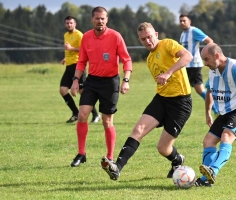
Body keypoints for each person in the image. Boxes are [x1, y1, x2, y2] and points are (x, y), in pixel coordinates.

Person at [101, 22, 193, 181]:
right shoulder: (150, 59)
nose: (147, 41)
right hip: (161, 99)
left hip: (180, 103)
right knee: (138, 129)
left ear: (156, 34)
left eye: (149, 37)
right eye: (143, 39)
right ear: (140, 40)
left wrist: (169, 73)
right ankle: (117, 167)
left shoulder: (168, 44)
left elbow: (188, 56)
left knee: (163, 148)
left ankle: (177, 160)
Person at [69, 7, 132, 167]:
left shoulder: (115, 36)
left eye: (103, 18)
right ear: (92, 20)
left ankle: (110, 157)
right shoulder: (86, 37)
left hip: (110, 82)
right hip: (92, 81)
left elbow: (127, 59)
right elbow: (82, 61)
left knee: (107, 121)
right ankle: (81, 154)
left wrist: (126, 80)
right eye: (97, 18)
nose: (100, 21)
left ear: (107, 20)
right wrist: (76, 80)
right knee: (83, 114)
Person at [194, 43, 236, 187]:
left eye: (206, 59)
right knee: (208, 141)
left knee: (226, 136)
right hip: (225, 112)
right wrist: (207, 113)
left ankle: (212, 171)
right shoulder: (213, 70)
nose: (205, 63)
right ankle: (206, 180)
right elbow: (210, 91)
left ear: (216, 55)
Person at [60, 16, 100, 123]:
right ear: (65, 24)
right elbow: (70, 51)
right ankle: (75, 113)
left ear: (75, 24)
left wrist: (71, 49)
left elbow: (85, 49)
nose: (69, 25)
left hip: (78, 66)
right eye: (67, 23)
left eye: (71, 23)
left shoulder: (79, 35)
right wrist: (65, 58)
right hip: (69, 66)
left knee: (83, 92)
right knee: (63, 90)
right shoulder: (66, 35)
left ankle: (96, 114)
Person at [179, 13, 218, 114]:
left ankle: (216, 108)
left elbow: (210, 41)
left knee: (199, 89)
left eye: (184, 21)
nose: (182, 23)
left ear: (189, 21)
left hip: (194, 65)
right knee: (182, 88)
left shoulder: (194, 31)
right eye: (180, 21)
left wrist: (208, 56)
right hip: (185, 65)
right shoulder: (183, 34)